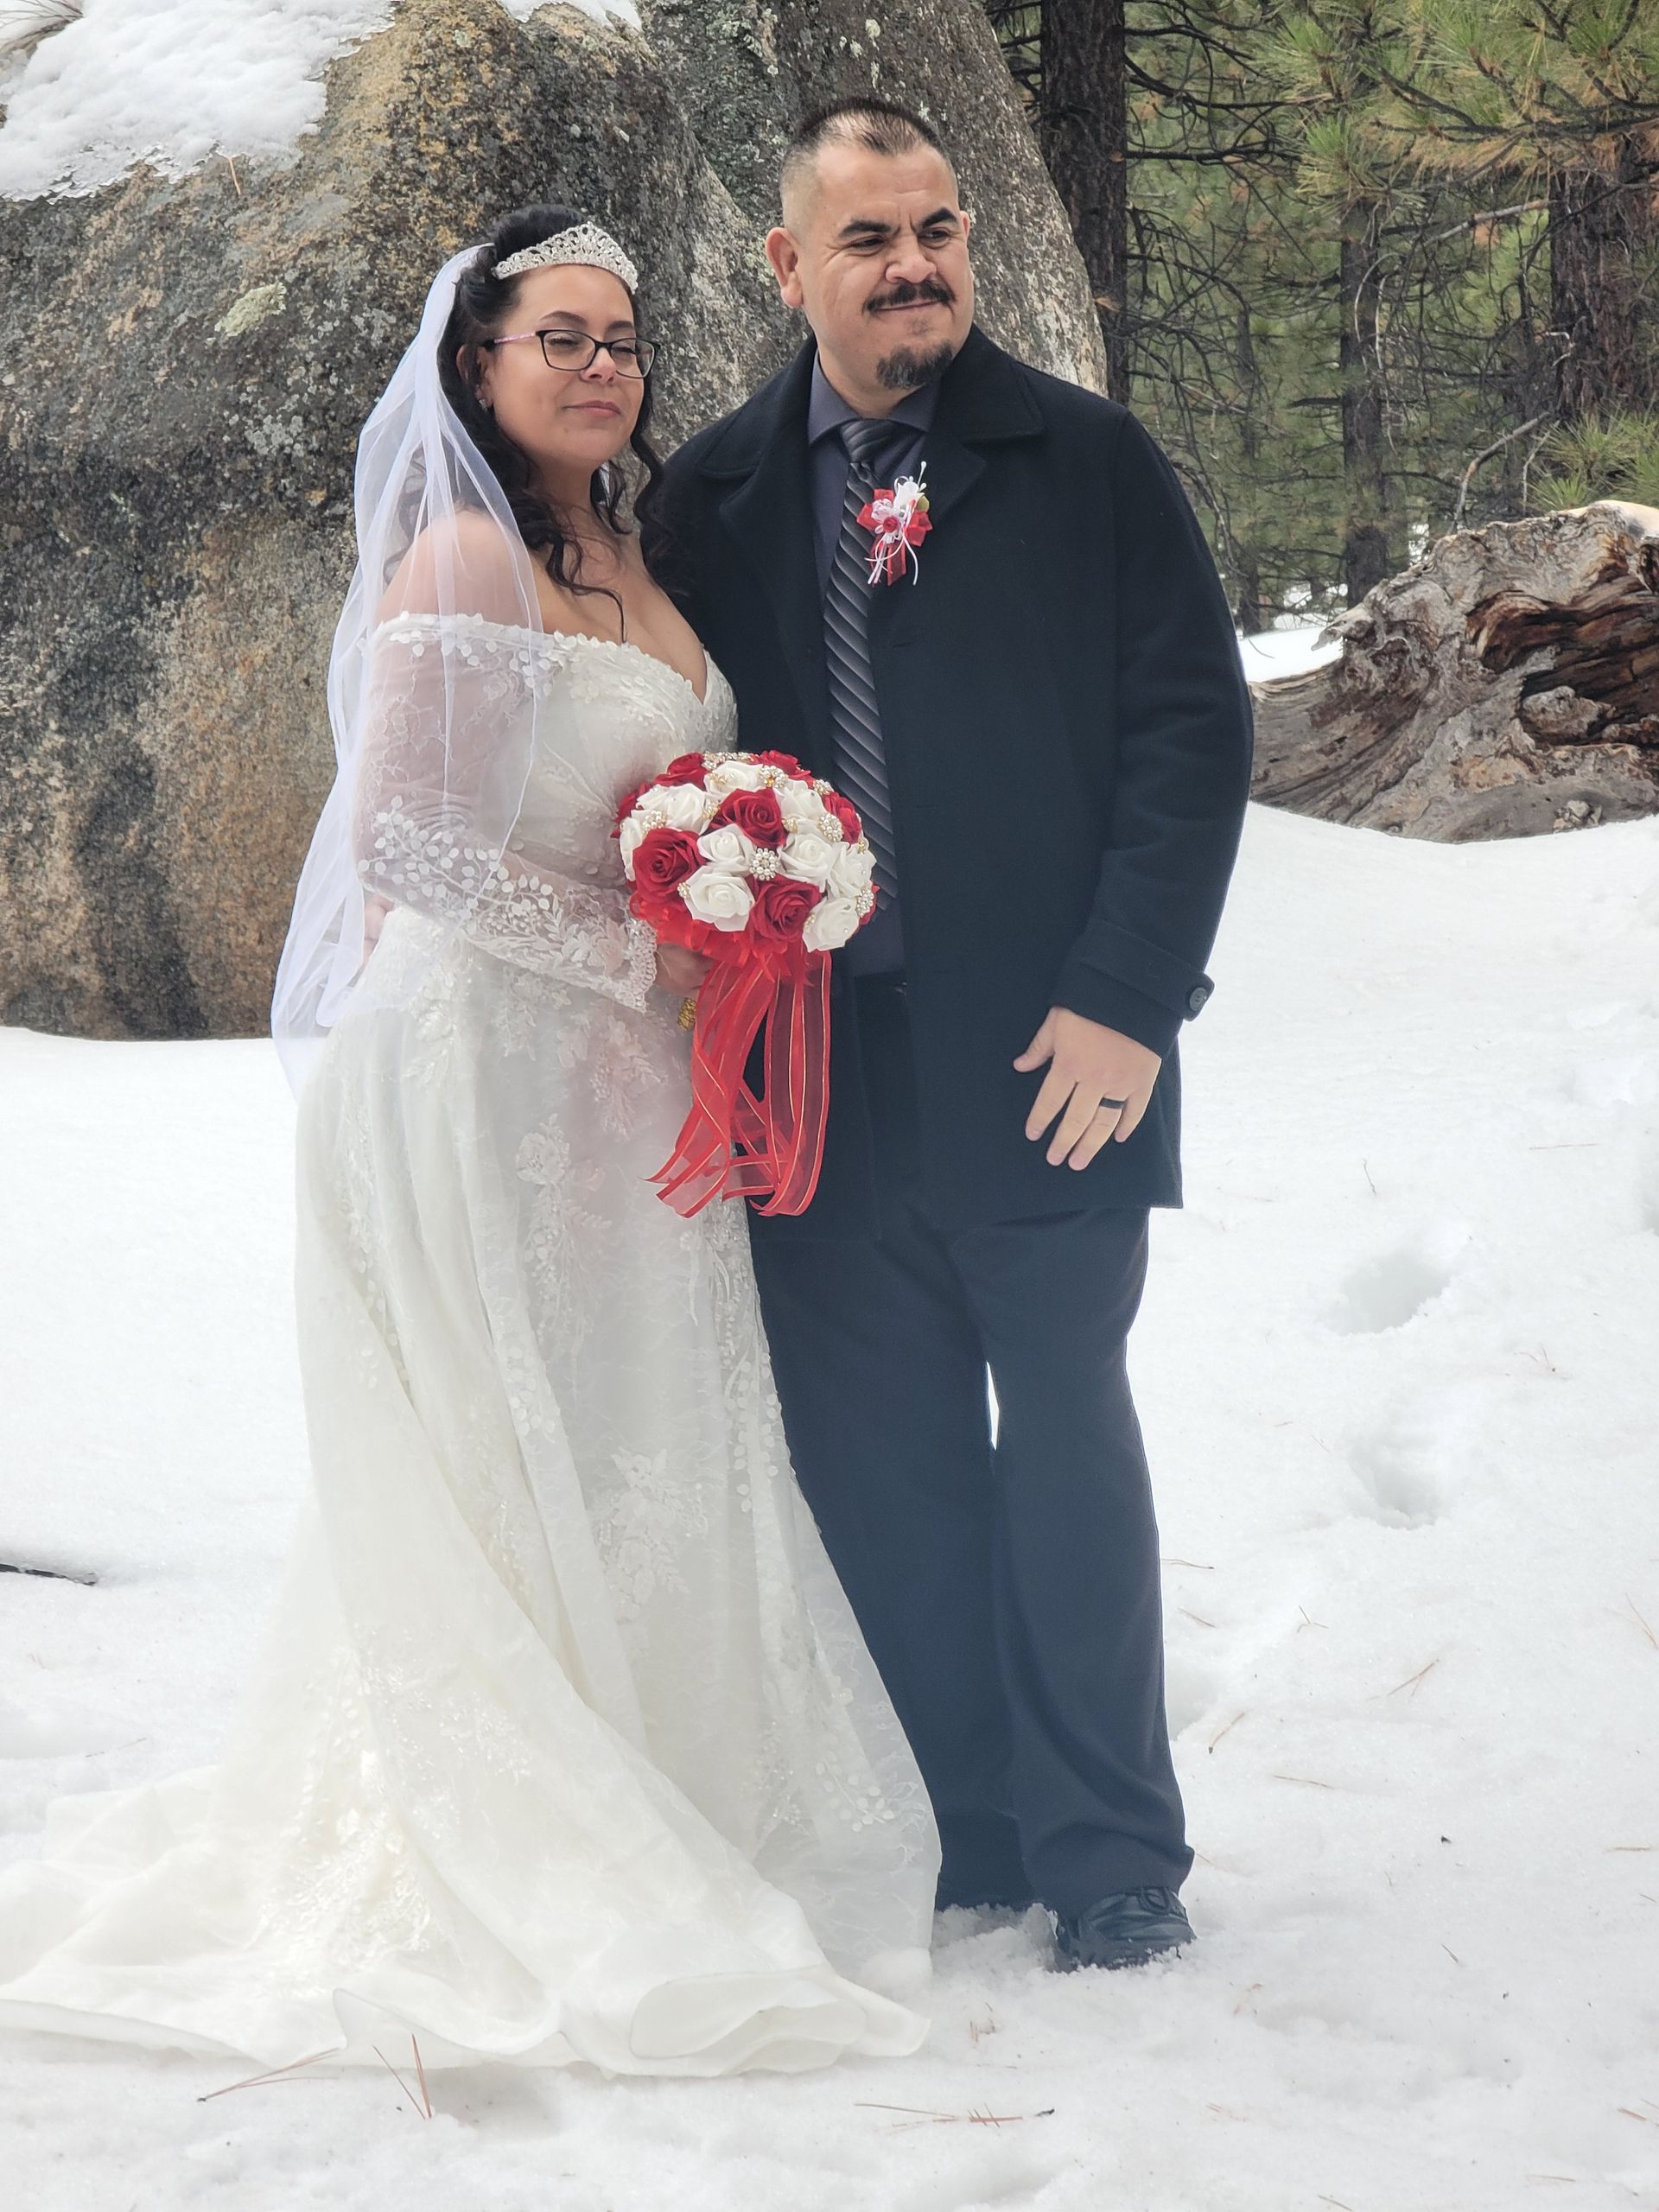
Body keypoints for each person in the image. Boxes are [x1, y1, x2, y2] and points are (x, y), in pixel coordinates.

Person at [0, 209, 939, 2076]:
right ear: (480, 368)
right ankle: (513, 1844)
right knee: (503, 1458)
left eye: (623, 336)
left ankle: (670, 1791)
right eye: (559, 338)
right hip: (476, 1070)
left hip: (632, 1083)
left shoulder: (633, 554)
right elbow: (408, 854)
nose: (603, 365)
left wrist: (733, 916)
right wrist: (649, 954)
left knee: (630, 1436)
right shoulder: (460, 554)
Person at [654, 103, 1255, 1969]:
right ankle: (960, 1820)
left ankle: (1110, 1850)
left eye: (938, 229)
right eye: (869, 237)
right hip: (818, 1080)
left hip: (1049, 1056)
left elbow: (1192, 734)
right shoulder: (716, 495)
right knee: (883, 1462)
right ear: (787, 269)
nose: (914, 264)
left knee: (1067, 1434)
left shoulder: (1081, 459)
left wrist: (1131, 1000)